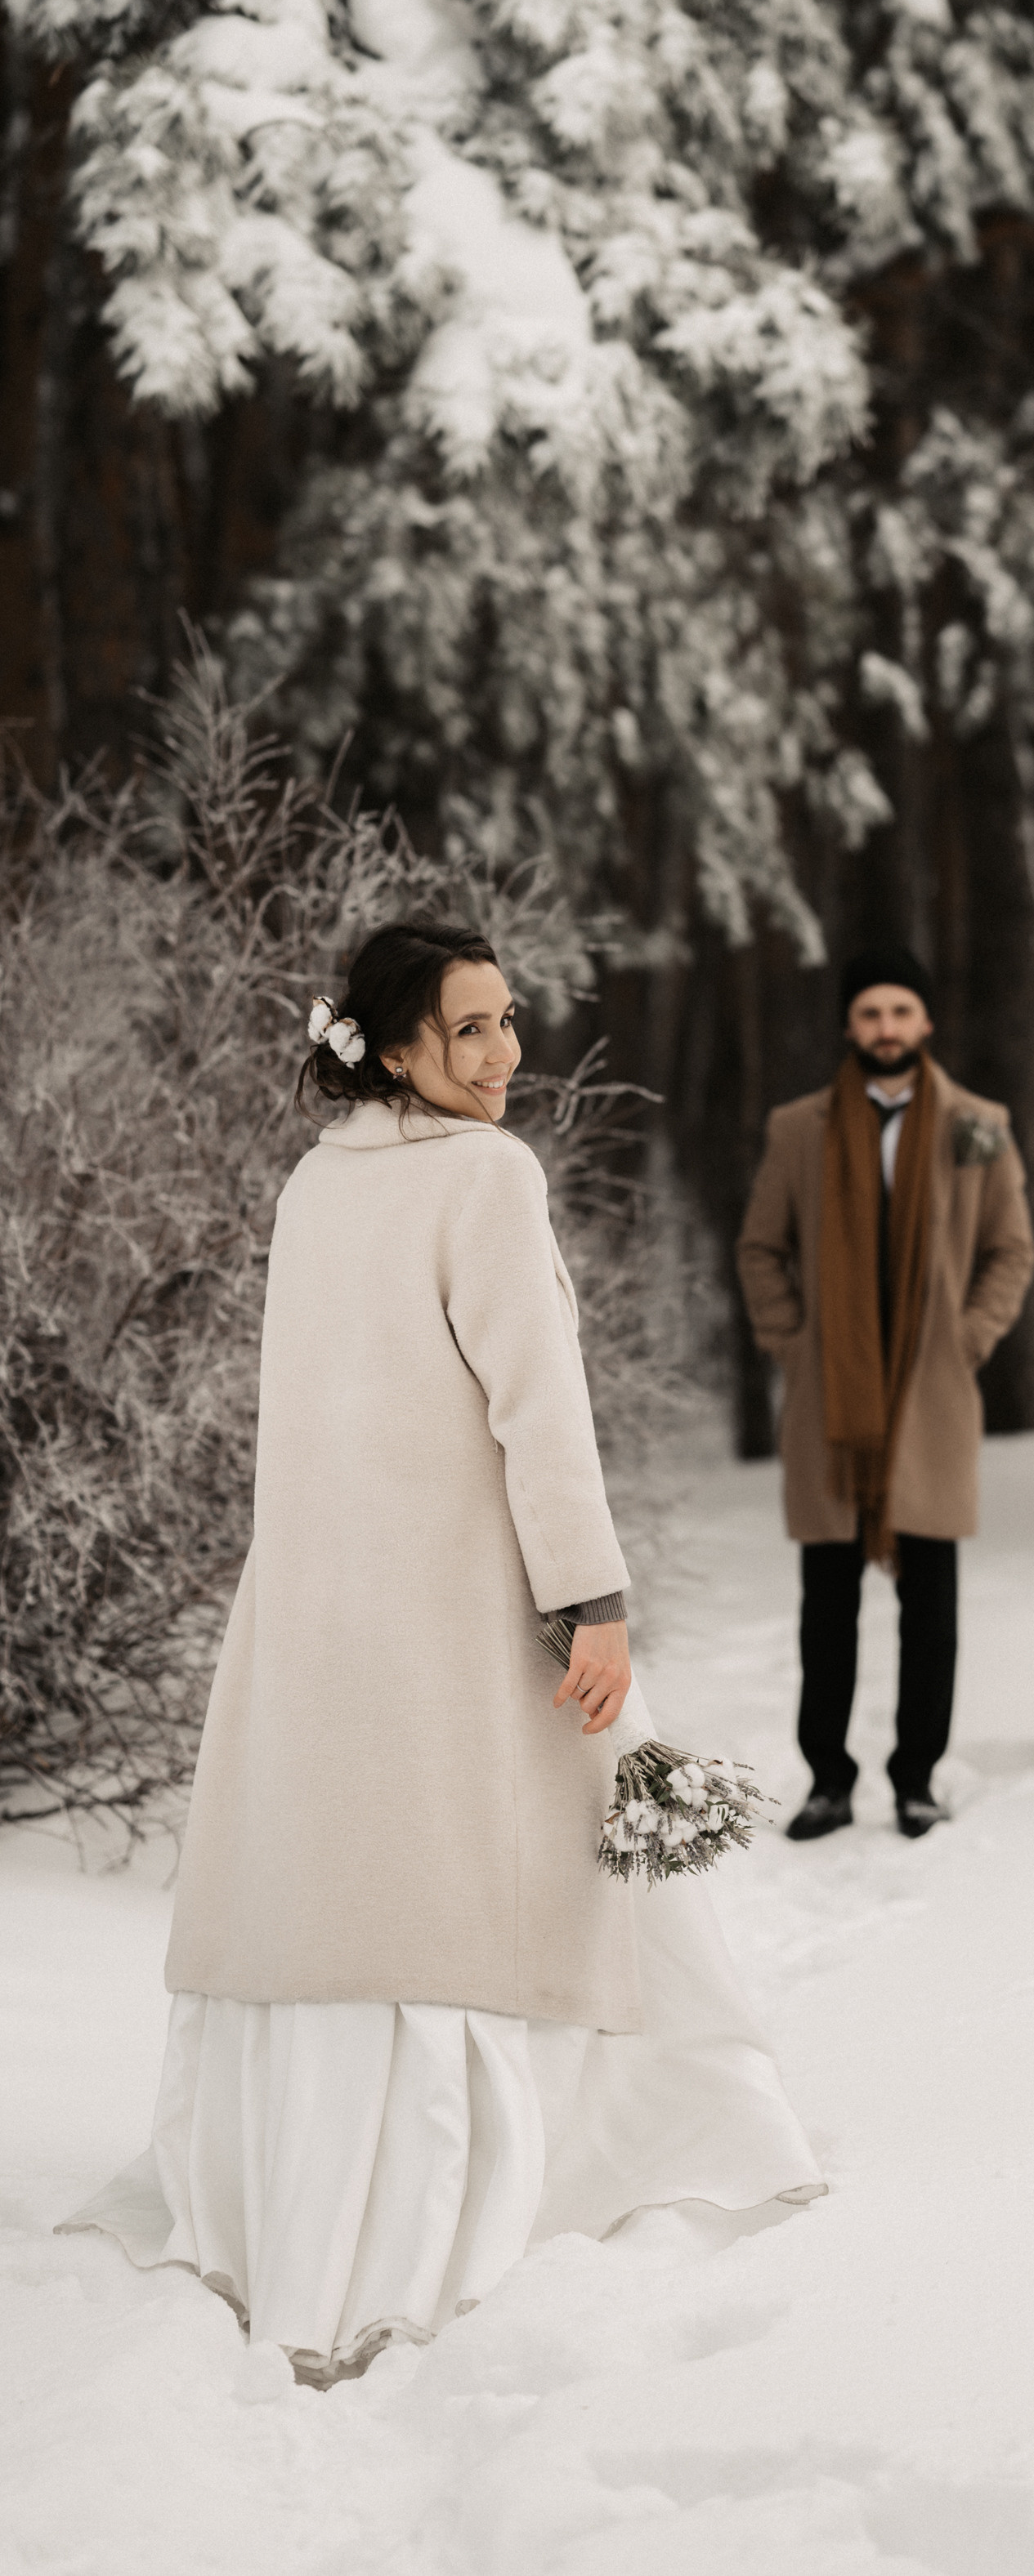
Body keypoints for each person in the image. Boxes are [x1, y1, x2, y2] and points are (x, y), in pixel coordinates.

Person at [62, 921, 821, 2382]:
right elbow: (537, 1414)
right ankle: (538, 2181)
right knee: (518, 1874)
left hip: (319, 1611)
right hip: (465, 1607)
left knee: (349, 1890)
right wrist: (591, 1599)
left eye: (507, 1019)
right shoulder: (487, 1175)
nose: (502, 1054)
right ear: (393, 1046)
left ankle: (293, 2205)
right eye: (465, 1030)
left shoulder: (314, 1184)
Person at [736, 946, 1034, 1842]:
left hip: (932, 1398)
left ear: (927, 1021)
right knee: (826, 1609)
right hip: (832, 1402)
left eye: (901, 1011)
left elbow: (1009, 1249)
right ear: (848, 1024)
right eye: (870, 1013)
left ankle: (917, 1776)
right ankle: (828, 1780)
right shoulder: (799, 1127)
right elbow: (761, 1248)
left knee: (929, 1611)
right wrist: (793, 1342)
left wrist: (968, 1336)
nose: (886, 1029)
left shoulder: (976, 1124)